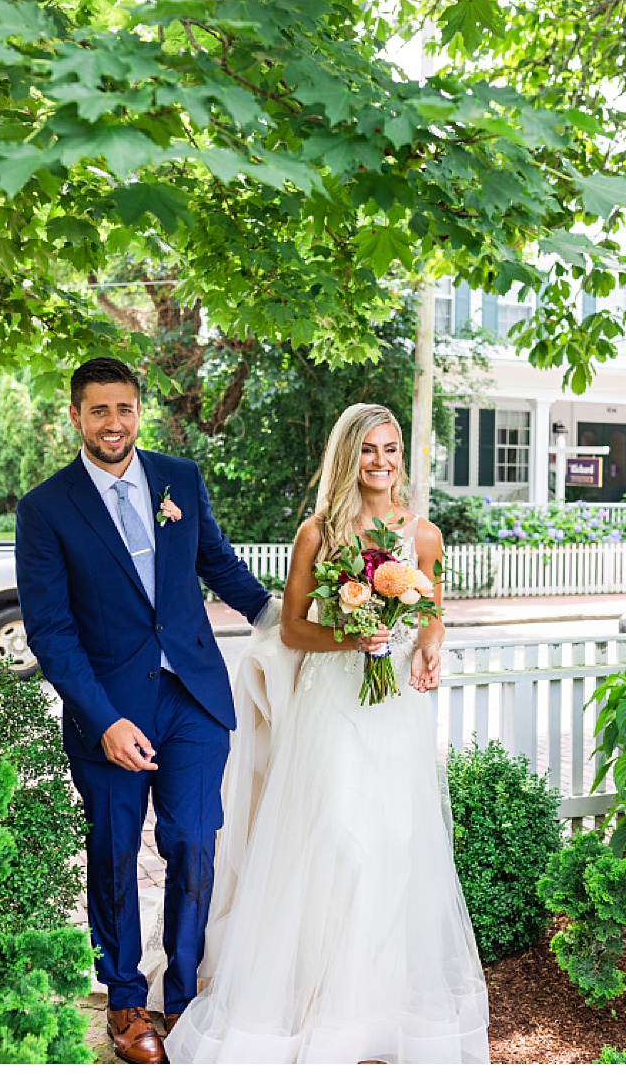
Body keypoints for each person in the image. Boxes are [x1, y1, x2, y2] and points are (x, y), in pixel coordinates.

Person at [165, 403, 490, 1064]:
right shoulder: (318, 533)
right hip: (331, 704)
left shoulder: (422, 534)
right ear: (349, 456)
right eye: (368, 449)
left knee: (395, 842)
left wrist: (429, 644)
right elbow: (290, 630)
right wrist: (348, 632)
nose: (381, 461)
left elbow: (432, 614)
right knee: (340, 839)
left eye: (391, 448)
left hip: (394, 705)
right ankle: (320, 999)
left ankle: (376, 1008)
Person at [14, 358, 272, 1064]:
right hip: (109, 708)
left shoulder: (177, 478)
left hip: (191, 694)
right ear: (75, 416)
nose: (113, 423)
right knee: (115, 849)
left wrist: (279, 620)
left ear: (138, 411)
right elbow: (52, 633)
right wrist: (103, 719)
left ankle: (184, 996)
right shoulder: (44, 508)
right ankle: (126, 1000)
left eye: (124, 408)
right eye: (99, 410)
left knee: (193, 840)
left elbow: (214, 561)